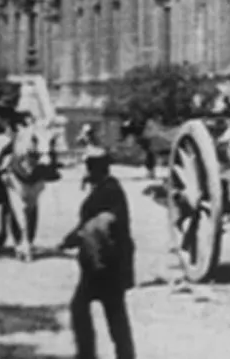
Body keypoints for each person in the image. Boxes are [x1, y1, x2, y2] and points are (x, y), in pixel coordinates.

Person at [59, 146, 136, 359]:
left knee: (91, 310)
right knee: (112, 314)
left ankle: (88, 354)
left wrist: (78, 236)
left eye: (89, 167)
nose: (87, 171)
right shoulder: (106, 187)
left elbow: (101, 224)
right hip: (102, 262)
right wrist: (72, 237)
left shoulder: (109, 191)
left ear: (96, 168)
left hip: (104, 264)